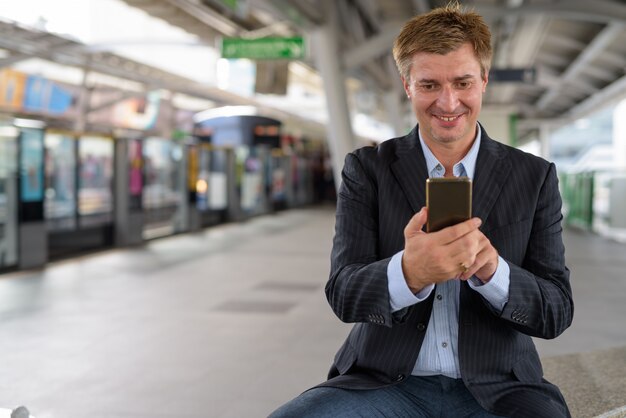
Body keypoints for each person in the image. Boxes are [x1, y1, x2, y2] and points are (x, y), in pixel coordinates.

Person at [269, 3, 574, 417]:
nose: (448, 103)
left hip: (500, 388)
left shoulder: (534, 176)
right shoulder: (367, 170)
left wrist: (492, 271)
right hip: (383, 384)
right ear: (407, 85)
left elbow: (556, 311)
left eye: (463, 82)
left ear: (483, 80)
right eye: (429, 85)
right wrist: (409, 272)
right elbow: (343, 293)